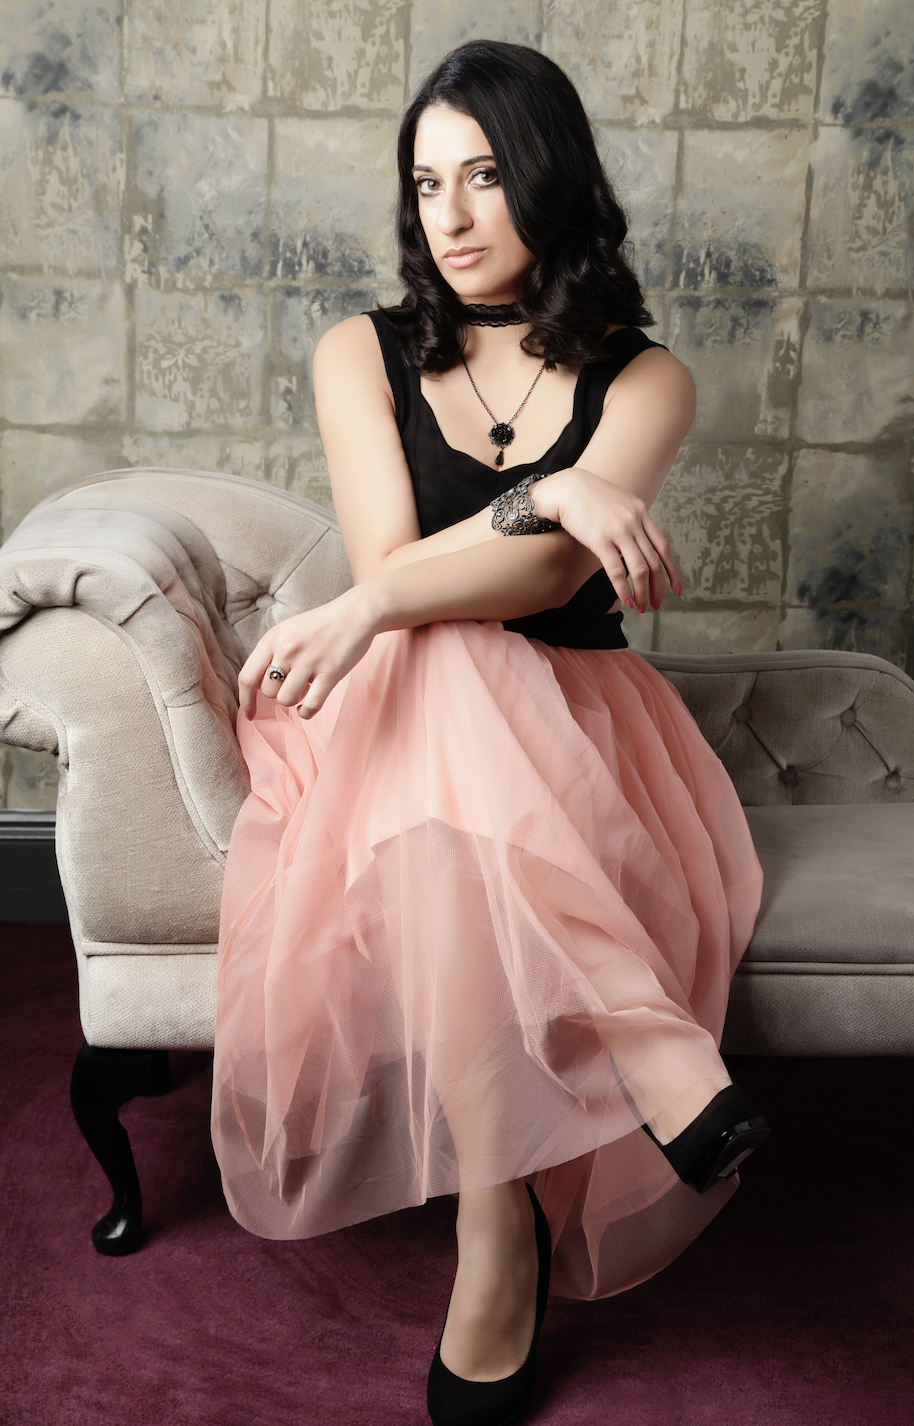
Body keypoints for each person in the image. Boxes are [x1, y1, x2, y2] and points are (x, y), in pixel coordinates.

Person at [211, 40, 768, 1426]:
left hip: (580, 734)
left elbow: (532, 584)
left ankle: (495, 1226)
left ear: (548, 180)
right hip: (392, 722)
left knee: (450, 636)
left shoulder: (648, 380)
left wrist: (533, 522)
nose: (450, 216)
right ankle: (621, 1080)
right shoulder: (364, 350)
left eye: (483, 176)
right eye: (425, 183)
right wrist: (549, 492)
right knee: (439, 646)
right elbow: (397, 565)